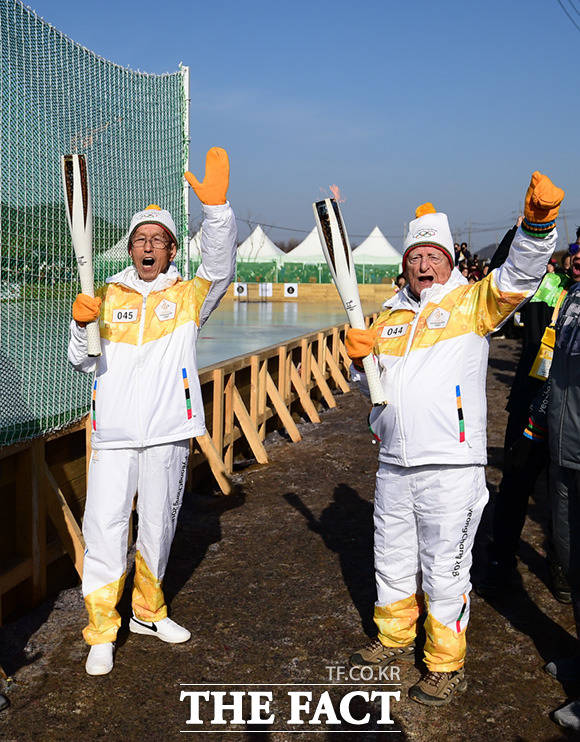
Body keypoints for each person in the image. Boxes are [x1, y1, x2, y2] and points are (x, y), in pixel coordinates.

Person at [344, 172, 564, 706]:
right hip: (394, 462)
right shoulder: (390, 315)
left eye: (433, 256)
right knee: (392, 558)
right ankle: (394, 637)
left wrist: (538, 227)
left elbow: (518, 276)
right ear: (405, 264)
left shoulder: (472, 304)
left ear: (449, 261)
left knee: (445, 568)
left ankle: (445, 664)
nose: (423, 265)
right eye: (415, 256)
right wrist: (357, 358)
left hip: (451, 466)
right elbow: (370, 385)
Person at [68, 147, 237, 676]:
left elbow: (219, 265)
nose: (148, 247)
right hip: (114, 433)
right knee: (104, 528)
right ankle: (101, 630)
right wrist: (79, 324)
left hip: (168, 430)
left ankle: (147, 611)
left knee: (159, 526)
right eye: (140, 239)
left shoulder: (189, 297)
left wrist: (217, 214)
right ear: (130, 246)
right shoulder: (105, 294)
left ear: (168, 251)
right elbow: (79, 360)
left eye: (157, 241)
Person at [523, 249, 580, 732]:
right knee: (571, 557)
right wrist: (539, 422)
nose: (578, 259)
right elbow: (553, 365)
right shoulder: (571, 298)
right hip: (563, 448)